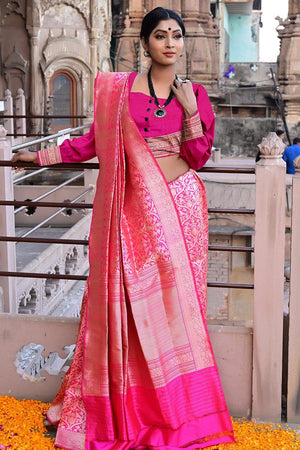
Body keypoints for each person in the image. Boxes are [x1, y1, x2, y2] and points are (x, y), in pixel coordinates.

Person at [12, 7, 235, 450]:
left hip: (182, 210)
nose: (170, 43)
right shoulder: (118, 92)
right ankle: (120, 404)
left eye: (176, 35)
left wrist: (191, 111)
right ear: (145, 44)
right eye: (160, 35)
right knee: (122, 305)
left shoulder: (196, 94)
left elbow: (198, 156)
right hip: (130, 209)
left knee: (174, 309)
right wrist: (41, 157)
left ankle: (175, 407)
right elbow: (90, 142)